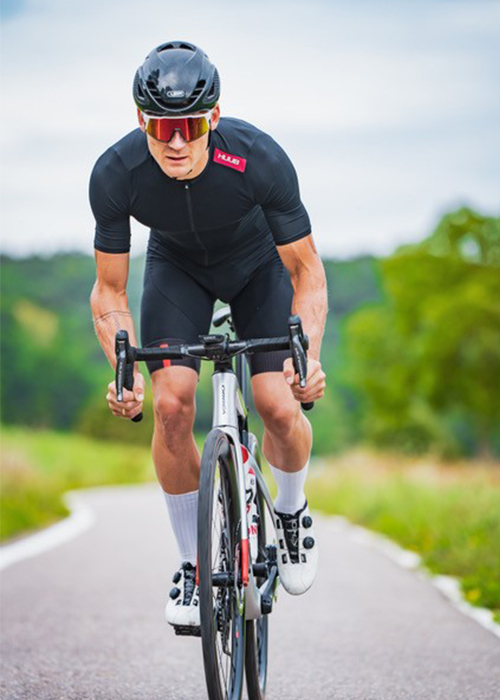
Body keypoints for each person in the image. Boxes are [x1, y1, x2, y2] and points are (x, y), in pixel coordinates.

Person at [89, 40, 327, 630]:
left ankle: (292, 512)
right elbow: (109, 292)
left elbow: (305, 270)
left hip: (258, 268)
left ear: (213, 117)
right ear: (141, 119)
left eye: (189, 125)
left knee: (276, 401)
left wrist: (308, 357)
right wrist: (122, 374)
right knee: (171, 406)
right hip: (178, 271)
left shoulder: (258, 157)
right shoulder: (116, 173)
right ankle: (195, 566)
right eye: (161, 125)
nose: (175, 141)